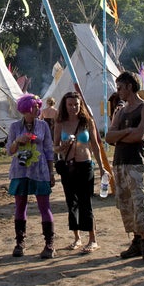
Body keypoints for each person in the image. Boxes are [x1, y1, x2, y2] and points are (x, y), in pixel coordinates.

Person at [106, 71, 144, 264]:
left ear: (130, 86)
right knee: (125, 203)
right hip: (119, 162)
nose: (118, 91)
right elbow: (108, 137)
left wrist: (122, 135)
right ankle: (136, 241)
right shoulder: (120, 111)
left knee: (139, 202)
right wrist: (128, 131)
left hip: (136, 161)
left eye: (120, 87)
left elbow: (141, 133)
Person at [54, 91, 106, 254]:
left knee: (86, 202)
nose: (73, 107)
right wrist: (62, 146)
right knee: (71, 202)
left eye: (76, 104)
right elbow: (53, 147)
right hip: (68, 167)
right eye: (70, 104)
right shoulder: (60, 123)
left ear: (80, 105)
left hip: (85, 165)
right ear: (65, 105)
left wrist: (102, 166)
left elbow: (96, 146)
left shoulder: (87, 121)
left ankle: (93, 239)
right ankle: (77, 238)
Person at [7, 94, 56, 259]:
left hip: (40, 170)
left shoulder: (43, 126)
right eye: (35, 107)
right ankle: (20, 242)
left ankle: (49, 243)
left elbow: (49, 149)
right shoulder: (14, 127)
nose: (38, 109)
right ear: (26, 109)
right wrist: (18, 141)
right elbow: (9, 151)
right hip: (20, 171)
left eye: (38, 106)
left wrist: (51, 172)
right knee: (20, 206)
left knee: (44, 206)